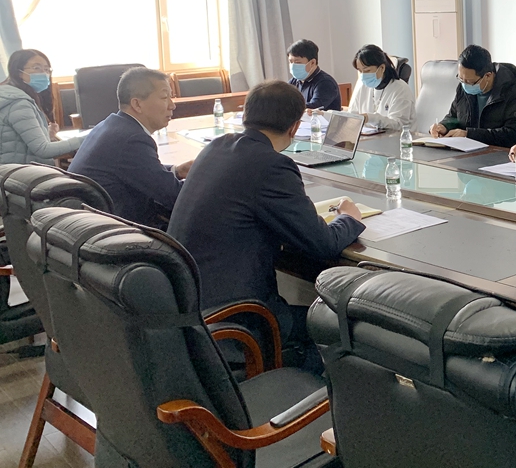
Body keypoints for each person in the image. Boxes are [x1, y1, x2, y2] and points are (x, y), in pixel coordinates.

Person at [167, 80, 365, 373]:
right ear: (294, 127)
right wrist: (350, 219)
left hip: (188, 308)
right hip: (238, 320)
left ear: (246, 114)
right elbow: (322, 243)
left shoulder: (215, 147)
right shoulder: (272, 166)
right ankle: (309, 395)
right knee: (340, 327)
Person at [68, 68, 192, 229]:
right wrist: (210, 180)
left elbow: (141, 172)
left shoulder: (111, 125)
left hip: (88, 224)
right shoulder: (132, 140)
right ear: (137, 104)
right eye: (164, 97)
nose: (172, 105)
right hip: (115, 232)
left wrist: (176, 170)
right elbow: (174, 196)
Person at [428, 45, 516, 147]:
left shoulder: (514, 94)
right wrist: (444, 126)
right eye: (461, 79)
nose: (465, 85)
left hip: (500, 154)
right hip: (467, 152)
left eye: (470, 82)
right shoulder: (463, 88)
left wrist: (469, 135)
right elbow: (454, 116)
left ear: (488, 75)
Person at [0, 49, 84, 165]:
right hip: (21, 172)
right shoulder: (19, 103)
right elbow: (43, 150)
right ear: (18, 72)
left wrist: (46, 134)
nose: (44, 74)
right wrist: (89, 137)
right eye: (36, 68)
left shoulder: (9, 95)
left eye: (47, 69)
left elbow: (14, 141)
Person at [346, 44, 415, 131]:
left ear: (382, 68)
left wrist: (370, 118)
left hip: (398, 138)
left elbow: (399, 126)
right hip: (369, 137)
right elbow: (352, 116)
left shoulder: (401, 89)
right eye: (360, 71)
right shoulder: (362, 86)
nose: (363, 75)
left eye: (367, 70)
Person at [288, 39, 341, 112]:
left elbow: (312, 108)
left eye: (298, 62)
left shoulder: (326, 83)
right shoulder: (294, 81)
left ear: (312, 62)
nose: (293, 66)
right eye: (290, 62)